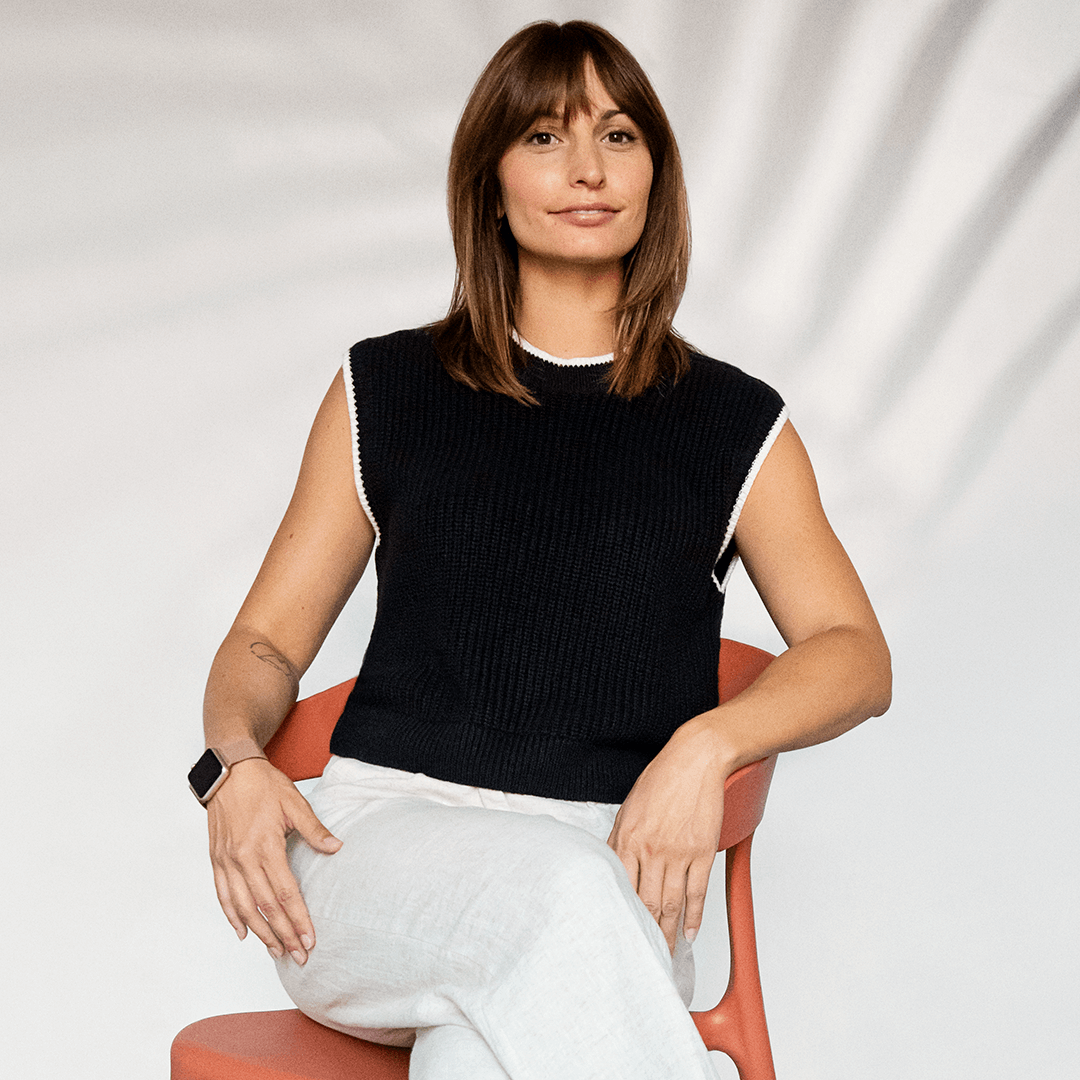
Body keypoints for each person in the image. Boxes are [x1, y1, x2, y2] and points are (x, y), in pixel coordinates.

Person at [195, 20, 891, 1080]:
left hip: (621, 865)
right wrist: (235, 767)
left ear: (656, 170)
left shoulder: (734, 422)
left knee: (477, 1059)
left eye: (618, 136)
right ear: (491, 179)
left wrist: (706, 747)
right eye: (544, 138)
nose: (585, 169)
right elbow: (262, 644)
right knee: (560, 902)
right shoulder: (384, 392)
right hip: (374, 853)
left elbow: (854, 653)